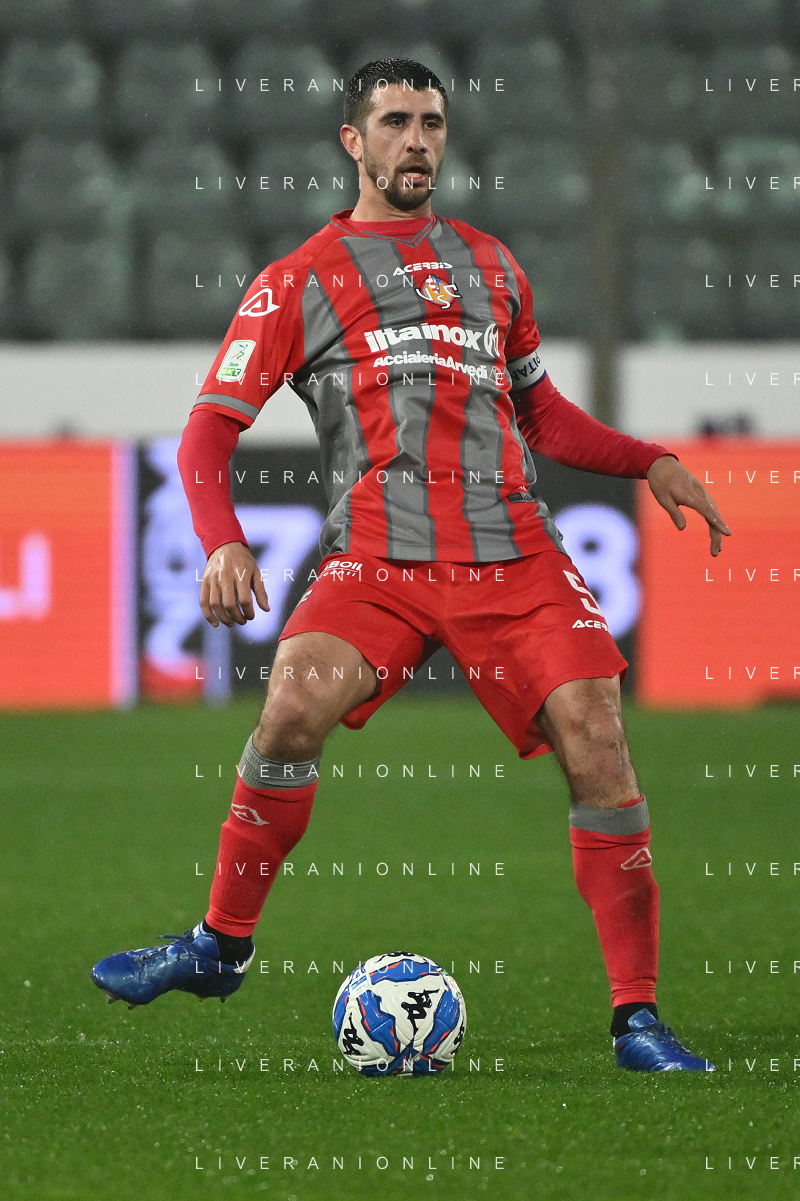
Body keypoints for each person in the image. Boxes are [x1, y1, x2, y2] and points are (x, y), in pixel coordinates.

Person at [92, 58, 730, 1072]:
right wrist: (222, 538)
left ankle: (636, 1018)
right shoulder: (299, 279)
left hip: (511, 551)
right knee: (290, 707)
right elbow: (209, 430)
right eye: (394, 122)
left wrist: (645, 458)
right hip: (377, 558)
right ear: (354, 141)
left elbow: (541, 412)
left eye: (431, 122)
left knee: (599, 740)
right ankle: (219, 944)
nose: (417, 140)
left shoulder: (491, 264)